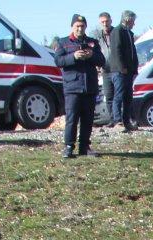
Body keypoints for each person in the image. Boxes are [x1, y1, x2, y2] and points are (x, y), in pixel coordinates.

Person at [54, 14, 104, 159]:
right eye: (77, 26)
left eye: (82, 26)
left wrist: (91, 56)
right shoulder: (64, 43)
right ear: (72, 27)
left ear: (85, 27)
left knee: (88, 119)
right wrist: (74, 57)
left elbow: (102, 60)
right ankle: (69, 146)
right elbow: (58, 61)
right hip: (72, 87)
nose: (80, 29)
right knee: (72, 118)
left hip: (89, 86)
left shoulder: (92, 43)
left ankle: (84, 147)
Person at [107, 10, 139, 132]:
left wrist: (134, 68)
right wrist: (122, 67)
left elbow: (133, 52)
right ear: (127, 19)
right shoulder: (117, 31)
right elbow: (116, 51)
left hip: (129, 71)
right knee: (119, 95)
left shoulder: (129, 33)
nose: (134, 24)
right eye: (132, 21)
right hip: (119, 71)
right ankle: (117, 121)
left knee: (128, 97)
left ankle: (126, 121)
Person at [95, 12, 116, 123]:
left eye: (107, 21)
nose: (105, 24)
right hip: (105, 70)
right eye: (102, 22)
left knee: (119, 96)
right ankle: (113, 120)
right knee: (108, 96)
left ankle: (121, 119)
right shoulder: (98, 37)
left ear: (111, 21)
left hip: (117, 70)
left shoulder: (117, 33)